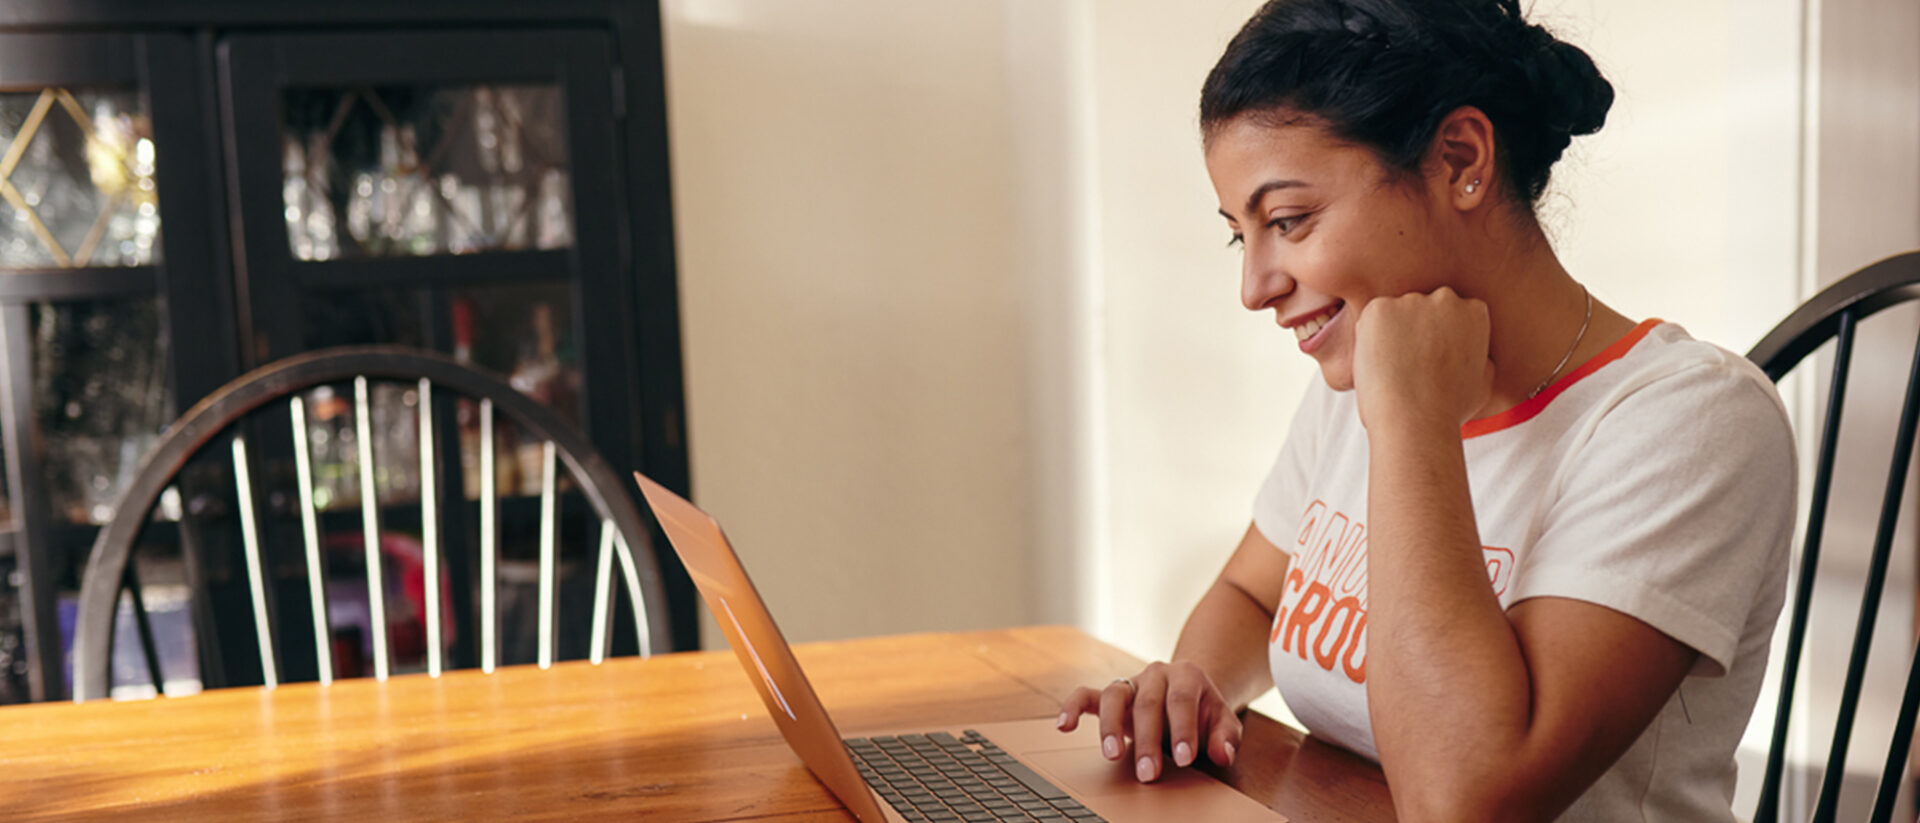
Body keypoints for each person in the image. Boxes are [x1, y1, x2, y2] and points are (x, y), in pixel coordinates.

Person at [1055, 1, 1797, 820]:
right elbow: (1251, 591)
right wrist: (1195, 681)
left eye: (1289, 221)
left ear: (1460, 159)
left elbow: (1463, 800)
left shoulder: (1689, 422)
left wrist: (1410, 422)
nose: (1255, 287)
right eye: (1243, 235)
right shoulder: (1361, 375)